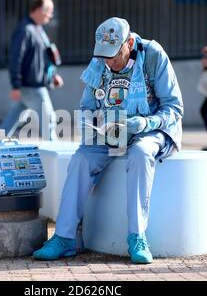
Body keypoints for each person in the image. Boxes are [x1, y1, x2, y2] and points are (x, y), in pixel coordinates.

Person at [33, 17, 183, 264]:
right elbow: (87, 107)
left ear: (130, 42)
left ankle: (137, 235)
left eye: (113, 55)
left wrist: (145, 123)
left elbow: (174, 108)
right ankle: (65, 237)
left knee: (140, 153)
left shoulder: (154, 55)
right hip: (111, 133)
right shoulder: (100, 61)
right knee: (81, 158)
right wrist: (94, 125)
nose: (108, 62)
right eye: (103, 56)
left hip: (150, 129)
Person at [0, 0, 63, 140]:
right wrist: (15, 85)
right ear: (39, 9)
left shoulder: (37, 30)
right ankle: (54, 154)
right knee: (49, 120)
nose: (50, 14)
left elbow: (45, 57)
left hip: (31, 86)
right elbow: (15, 59)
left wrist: (53, 76)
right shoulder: (25, 31)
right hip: (32, 87)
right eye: (48, 10)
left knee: (12, 120)